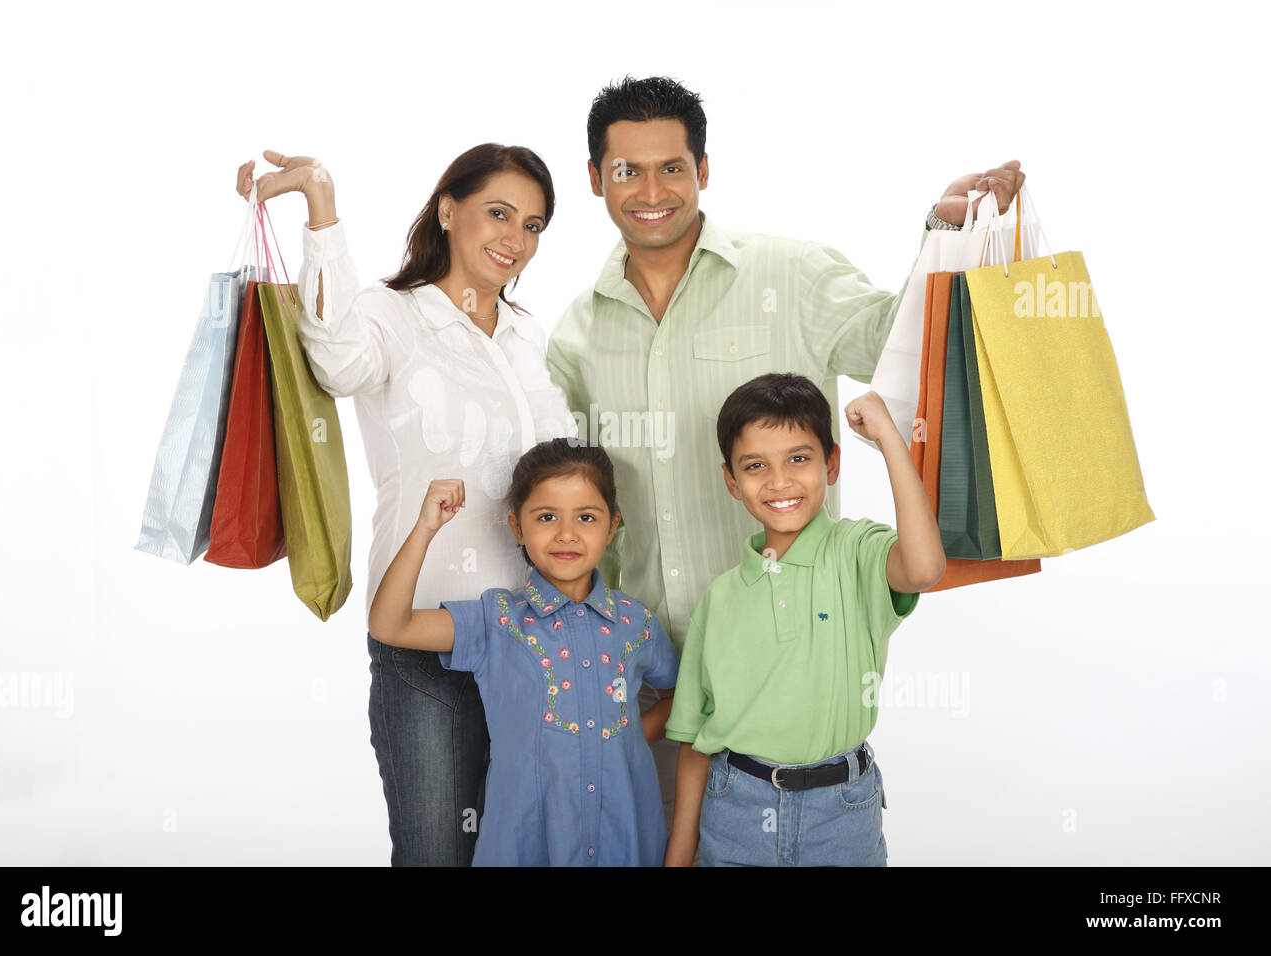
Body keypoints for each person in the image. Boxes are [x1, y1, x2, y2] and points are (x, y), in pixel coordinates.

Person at [546, 75, 1024, 828]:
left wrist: (943, 231)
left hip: (780, 673)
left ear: (703, 170)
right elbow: (576, 502)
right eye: (626, 170)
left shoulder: (790, 275)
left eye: (672, 166)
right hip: (642, 676)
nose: (651, 190)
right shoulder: (575, 333)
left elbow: (899, 344)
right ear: (594, 179)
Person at [235, 145, 577, 865]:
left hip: (531, 648)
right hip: (427, 647)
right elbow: (332, 355)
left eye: (535, 225)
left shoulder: (525, 335)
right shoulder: (394, 316)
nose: (516, 239)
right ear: (448, 210)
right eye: (498, 213)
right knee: (436, 854)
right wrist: (321, 204)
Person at [663, 374, 946, 866]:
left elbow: (924, 568)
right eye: (755, 466)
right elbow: (692, 742)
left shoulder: (856, 551)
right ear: (732, 480)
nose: (779, 481)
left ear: (831, 463)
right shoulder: (720, 598)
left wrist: (888, 441)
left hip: (841, 814)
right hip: (736, 811)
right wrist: (677, 859)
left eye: (799, 458)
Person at [367, 438, 681, 865]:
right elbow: (390, 624)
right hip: (523, 843)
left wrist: (621, 738)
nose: (566, 534)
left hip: (625, 839)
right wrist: (425, 529)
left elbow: (676, 697)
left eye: (586, 517)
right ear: (517, 527)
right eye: (547, 517)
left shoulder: (636, 623)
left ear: (612, 526)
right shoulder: (496, 621)